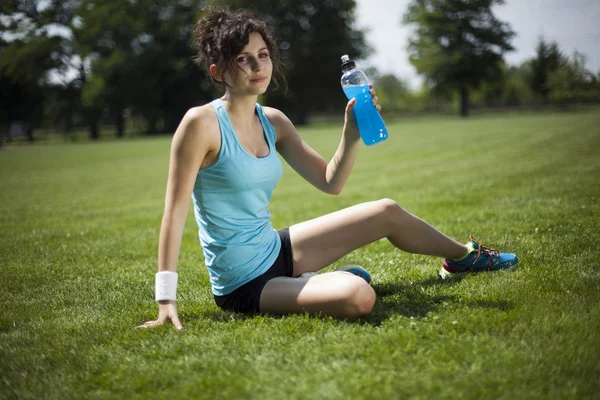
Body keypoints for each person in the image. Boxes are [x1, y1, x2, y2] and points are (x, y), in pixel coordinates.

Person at [138, 7, 518, 330]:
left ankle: (462, 257)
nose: (258, 66)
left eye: (263, 54)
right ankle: (322, 284)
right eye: (243, 59)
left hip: (276, 250)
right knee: (358, 296)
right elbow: (174, 213)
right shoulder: (200, 124)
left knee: (386, 211)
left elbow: (330, 182)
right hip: (244, 283)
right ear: (218, 70)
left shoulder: (274, 121)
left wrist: (351, 134)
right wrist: (165, 300)